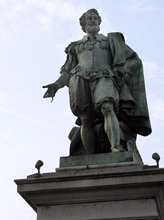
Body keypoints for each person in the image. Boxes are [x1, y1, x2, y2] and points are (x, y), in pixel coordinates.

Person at [43, 8, 151, 155]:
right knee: (85, 118)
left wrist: (122, 71)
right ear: (83, 24)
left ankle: (115, 147)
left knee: (107, 107)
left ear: (99, 22)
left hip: (105, 77)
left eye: (95, 18)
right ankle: (90, 156)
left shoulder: (110, 41)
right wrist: (57, 85)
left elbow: (134, 60)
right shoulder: (75, 46)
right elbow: (67, 70)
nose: (93, 21)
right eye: (89, 19)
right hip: (79, 80)